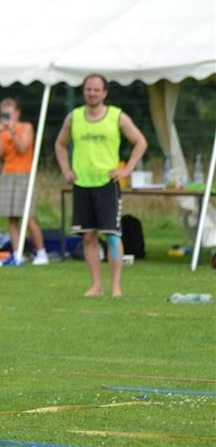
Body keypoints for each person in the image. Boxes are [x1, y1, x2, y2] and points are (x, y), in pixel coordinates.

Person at [55, 74, 147, 297]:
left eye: (96, 90)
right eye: (88, 89)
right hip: (82, 184)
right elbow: (60, 144)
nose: (92, 93)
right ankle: (96, 285)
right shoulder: (74, 117)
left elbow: (140, 142)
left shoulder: (116, 116)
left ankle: (116, 286)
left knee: (112, 236)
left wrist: (127, 169)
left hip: (107, 184)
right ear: (83, 91)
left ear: (104, 92)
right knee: (88, 236)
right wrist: (66, 170)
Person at [0, 98, 49, 265]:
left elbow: (23, 148)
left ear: (17, 113)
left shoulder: (26, 127)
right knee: (11, 218)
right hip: (8, 175)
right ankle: (18, 254)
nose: (7, 116)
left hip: (24, 175)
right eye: (4, 113)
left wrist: (11, 131)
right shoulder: (2, 131)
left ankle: (41, 252)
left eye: (9, 113)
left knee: (28, 216)